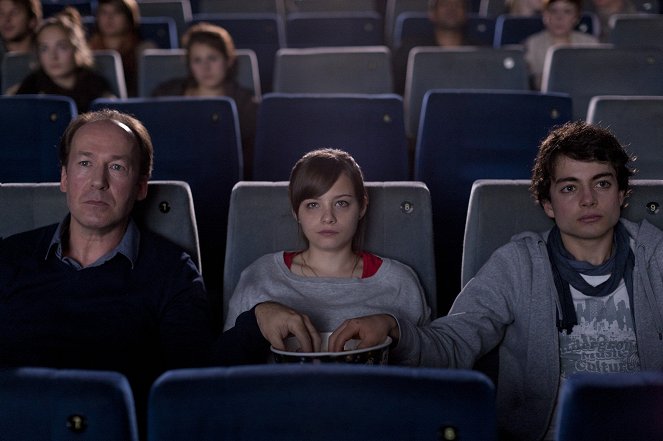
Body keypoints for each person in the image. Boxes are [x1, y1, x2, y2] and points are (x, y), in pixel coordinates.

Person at [272, 122, 663, 440]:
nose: (588, 200)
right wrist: (395, 329)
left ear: (622, 194)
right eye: (569, 188)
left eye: (602, 183)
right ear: (547, 203)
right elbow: (455, 343)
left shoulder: (656, 258)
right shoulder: (517, 265)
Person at [0, 108, 313, 433]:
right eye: (84, 163)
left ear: (140, 187)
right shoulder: (9, 256)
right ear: (64, 177)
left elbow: (193, 386)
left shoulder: (172, 272)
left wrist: (257, 320)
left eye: (117, 167)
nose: (98, 181)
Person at [223, 148, 431, 354]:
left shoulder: (400, 282)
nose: (328, 217)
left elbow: (431, 361)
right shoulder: (259, 276)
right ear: (296, 211)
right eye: (313, 205)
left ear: (362, 206)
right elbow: (222, 370)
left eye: (341, 203)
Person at [151, 22, 258, 178]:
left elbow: (248, 159)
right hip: (173, 172)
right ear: (190, 65)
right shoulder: (166, 93)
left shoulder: (246, 103)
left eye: (212, 58)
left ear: (228, 61)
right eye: (197, 60)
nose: (205, 67)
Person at [10, 7, 114, 111]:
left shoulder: (96, 85)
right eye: (44, 49)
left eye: (62, 47)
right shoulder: (30, 87)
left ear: (76, 49)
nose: (53, 56)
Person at [392, 0, 487, 95]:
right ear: (432, 13)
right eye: (445, 4)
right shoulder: (410, 50)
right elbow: (397, 89)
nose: (451, 9)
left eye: (457, 5)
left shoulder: (480, 52)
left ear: (465, 13)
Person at [524, 0, 599, 90]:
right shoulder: (532, 44)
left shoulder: (590, 44)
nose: (559, 17)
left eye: (567, 11)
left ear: (576, 18)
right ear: (545, 15)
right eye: (553, 11)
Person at [87, 0, 156, 97]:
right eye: (104, 12)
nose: (109, 18)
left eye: (117, 12)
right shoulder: (87, 50)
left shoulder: (144, 49)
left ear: (129, 18)